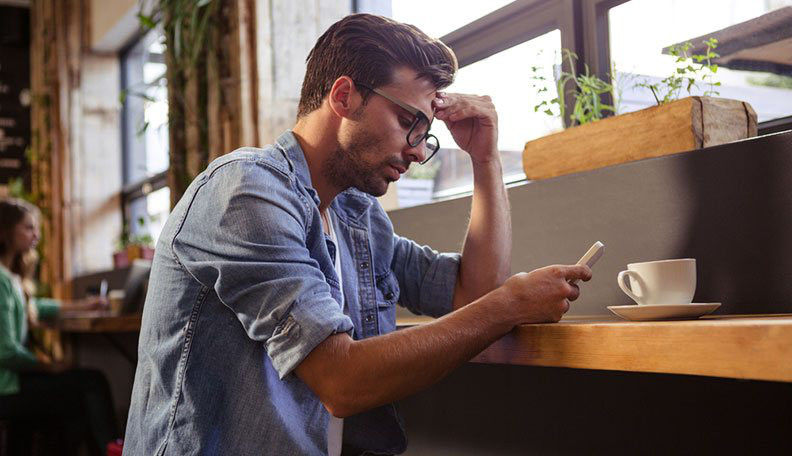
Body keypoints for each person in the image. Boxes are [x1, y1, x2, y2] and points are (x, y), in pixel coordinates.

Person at [125, 13, 591, 455]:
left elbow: (474, 292)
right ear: (344, 96)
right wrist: (508, 304)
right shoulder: (246, 192)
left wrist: (485, 159)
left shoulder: (358, 215)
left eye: (425, 135)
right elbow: (340, 382)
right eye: (409, 123)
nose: (415, 152)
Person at [0, 197, 118, 455]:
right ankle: (114, 450)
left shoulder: (9, 277)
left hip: (12, 382)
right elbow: (6, 352)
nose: (36, 235)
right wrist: (49, 366)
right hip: (5, 388)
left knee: (79, 390)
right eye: (29, 228)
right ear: (7, 231)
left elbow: (35, 306)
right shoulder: (1, 280)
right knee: (90, 384)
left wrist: (82, 306)